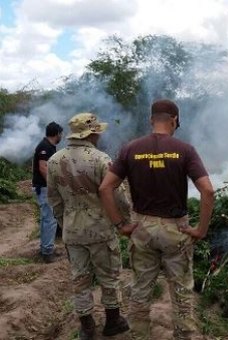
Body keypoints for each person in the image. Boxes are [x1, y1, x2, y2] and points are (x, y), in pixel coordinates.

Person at [99, 99, 215, 340]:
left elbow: (105, 188)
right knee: (182, 292)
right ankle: (184, 335)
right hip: (176, 230)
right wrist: (201, 229)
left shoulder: (130, 149)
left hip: (142, 228)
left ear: (152, 119)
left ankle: (139, 336)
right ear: (174, 120)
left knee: (140, 291)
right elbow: (208, 191)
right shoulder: (185, 150)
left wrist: (121, 225)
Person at [47, 113, 130, 340]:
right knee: (109, 276)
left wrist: (65, 224)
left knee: (80, 277)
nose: (99, 135)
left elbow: (54, 199)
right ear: (91, 133)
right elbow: (118, 195)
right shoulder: (101, 160)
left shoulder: (55, 161)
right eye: (98, 132)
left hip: (73, 232)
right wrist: (125, 223)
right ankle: (113, 322)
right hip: (101, 230)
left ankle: (87, 327)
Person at [32, 121, 63, 263]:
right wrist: (53, 185)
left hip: (44, 187)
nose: (61, 136)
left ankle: (46, 248)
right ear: (57, 133)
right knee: (49, 219)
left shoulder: (49, 146)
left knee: (48, 219)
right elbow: (43, 167)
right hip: (44, 188)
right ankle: (47, 252)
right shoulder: (45, 146)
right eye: (61, 133)